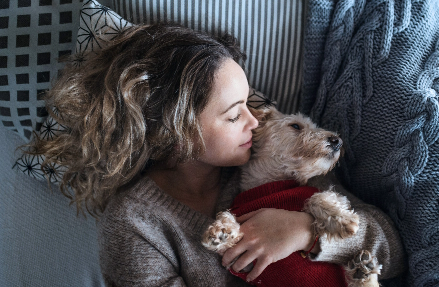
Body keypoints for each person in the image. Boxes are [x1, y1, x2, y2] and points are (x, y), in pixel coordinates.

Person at [25, 23, 406, 286]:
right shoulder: (135, 225)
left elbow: (391, 250)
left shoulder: (276, 162)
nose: (255, 122)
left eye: (249, 105)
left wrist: (304, 232)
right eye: (234, 113)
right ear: (175, 133)